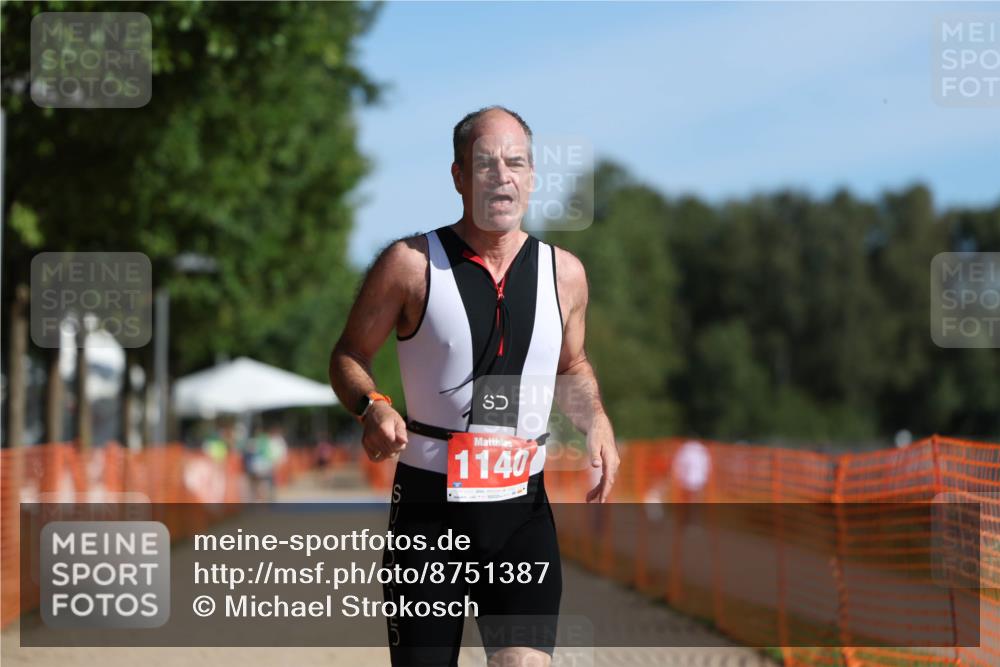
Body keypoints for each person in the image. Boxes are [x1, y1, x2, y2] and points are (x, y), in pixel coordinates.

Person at [329, 106, 620, 667]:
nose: (502, 176)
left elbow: (573, 366)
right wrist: (371, 406)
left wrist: (597, 420)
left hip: (522, 513)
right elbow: (348, 355)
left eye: (515, 163)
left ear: (532, 177)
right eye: (485, 164)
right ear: (459, 176)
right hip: (428, 513)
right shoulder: (410, 264)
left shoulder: (566, 275)